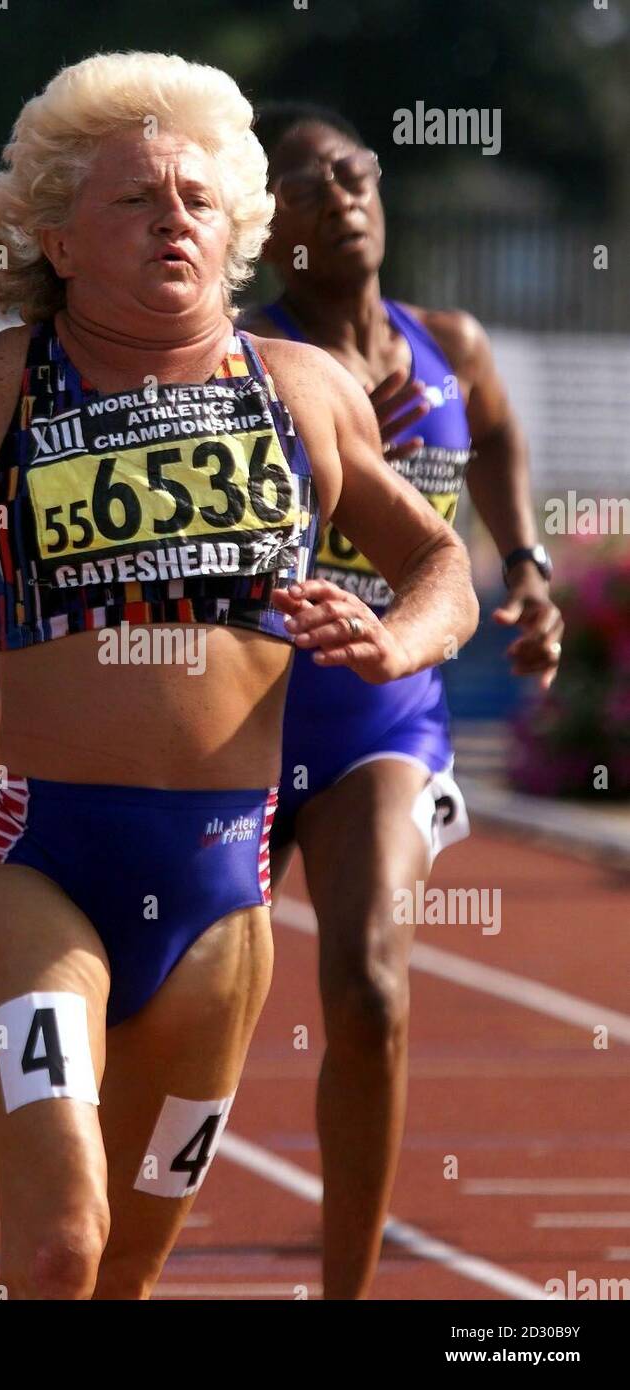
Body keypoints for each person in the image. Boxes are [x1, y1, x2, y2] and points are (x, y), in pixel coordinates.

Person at [0, 57, 478, 1301]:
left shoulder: (304, 392)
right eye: (135, 201)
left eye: (198, 199)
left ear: (235, 227)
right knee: (63, 1243)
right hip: (39, 869)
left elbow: (440, 558)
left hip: (225, 908)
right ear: (55, 237)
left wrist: (403, 638)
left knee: (121, 1278)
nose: (175, 218)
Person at [238, 101, 563, 1299]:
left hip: (383, 714)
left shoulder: (450, 342)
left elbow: (495, 437)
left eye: (356, 171)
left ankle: (345, 1292)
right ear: (270, 229)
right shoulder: (245, 359)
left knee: (369, 986)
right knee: (184, 1007)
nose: (342, 194)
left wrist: (524, 567)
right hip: (244, 712)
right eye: (308, 183)